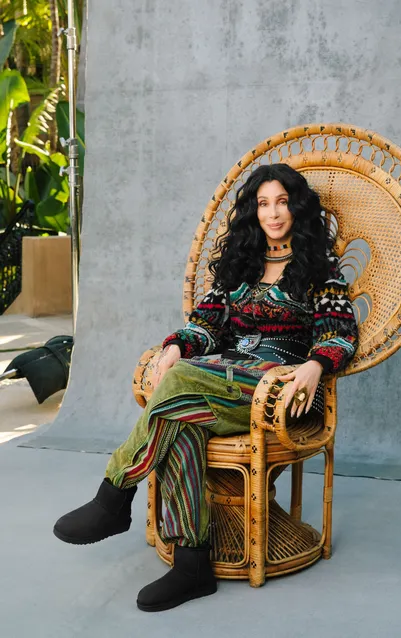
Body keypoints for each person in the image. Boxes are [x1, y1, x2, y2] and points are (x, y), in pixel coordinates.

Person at [53, 163, 359, 612]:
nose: (273, 213)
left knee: (179, 381)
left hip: (279, 392)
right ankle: (192, 564)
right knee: (182, 422)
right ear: (253, 212)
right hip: (220, 381)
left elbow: (341, 334)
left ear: (297, 207)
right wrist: (177, 346)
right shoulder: (241, 264)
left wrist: (315, 365)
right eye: (263, 204)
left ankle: (114, 494)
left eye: (282, 202)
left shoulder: (319, 269)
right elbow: (205, 326)